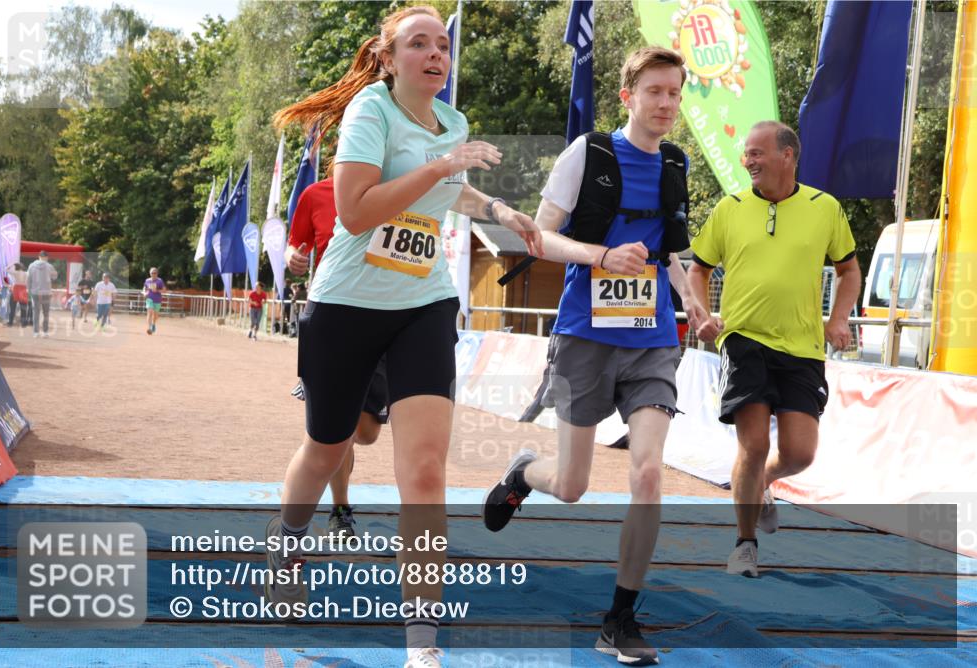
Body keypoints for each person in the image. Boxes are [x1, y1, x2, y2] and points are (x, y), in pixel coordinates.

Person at [267, 7, 541, 666]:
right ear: (389, 60)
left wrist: (499, 208)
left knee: (423, 471)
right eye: (419, 44)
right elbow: (357, 212)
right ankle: (288, 542)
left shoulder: (453, 122)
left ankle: (422, 643)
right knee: (328, 448)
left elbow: (453, 191)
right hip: (346, 305)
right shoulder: (372, 111)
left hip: (423, 304)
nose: (436, 53)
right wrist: (440, 167)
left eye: (442, 44)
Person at [480, 46, 700, 666]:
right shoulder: (589, 153)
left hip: (652, 339)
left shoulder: (676, 163)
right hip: (585, 334)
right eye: (655, 91)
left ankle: (620, 618)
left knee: (648, 473)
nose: (666, 103)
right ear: (628, 97)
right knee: (573, 485)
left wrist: (693, 302)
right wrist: (602, 256)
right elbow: (540, 237)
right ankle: (526, 472)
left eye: (675, 93)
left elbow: (672, 252)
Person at [687, 120, 860, 578]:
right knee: (755, 443)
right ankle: (745, 545)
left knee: (800, 454)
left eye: (757, 152)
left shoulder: (825, 208)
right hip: (744, 340)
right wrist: (702, 314)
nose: (748, 160)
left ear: (788, 155)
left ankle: (763, 481)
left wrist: (838, 318)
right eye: (746, 153)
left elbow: (849, 270)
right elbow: (697, 269)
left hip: (803, 348)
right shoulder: (729, 208)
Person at [287, 175, 389, 537]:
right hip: (332, 316)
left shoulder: (397, 185)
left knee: (366, 432)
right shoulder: (315, 193)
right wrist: (293, 256)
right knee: (335, 430)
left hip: (386, 315)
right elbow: (295, 243)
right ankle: (339, 509)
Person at [27, 250, 58, 337]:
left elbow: (28, 279)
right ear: (46, 257)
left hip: (35, 292)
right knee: (46, 313)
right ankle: (45, 332)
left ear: (39, 257)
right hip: (46, 292)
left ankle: (36, 332)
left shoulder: (31, 266)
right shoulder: (50, 266)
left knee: (36, 312)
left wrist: (28, 290)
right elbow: (55, 277)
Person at [142, 267, 165, 335]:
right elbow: (144, 288)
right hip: (149, 299)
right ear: (150, 273)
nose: (153, 274)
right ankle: (149, 328)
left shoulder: (160, 281)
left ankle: (153, 324)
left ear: (157, 273)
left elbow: (164, 290)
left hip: (157, 299)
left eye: (155, 273)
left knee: (155, 315)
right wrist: (144, 293)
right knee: (150, 312)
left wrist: (157, 290)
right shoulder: (147, 280)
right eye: (152, 273)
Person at [7, 263, 29, 327]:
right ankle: (23, 323)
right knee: (23, 308)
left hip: (16, 289)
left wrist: (11, 264)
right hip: (23, 290)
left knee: (12, 308)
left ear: (16, 267)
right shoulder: (26, 273)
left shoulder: (15, 272)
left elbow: (6, 269)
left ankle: (10, 322)